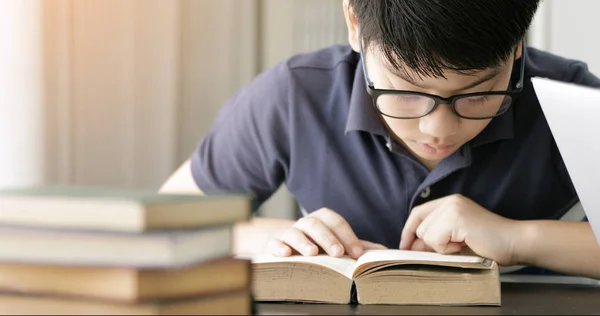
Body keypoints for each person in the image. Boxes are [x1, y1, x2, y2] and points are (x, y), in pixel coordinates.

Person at [160, 0, 600, 279]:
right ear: (355, 23)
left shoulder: (570, 98)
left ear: (516, 48)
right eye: (406, 93)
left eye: (479, 93)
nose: (438, 129)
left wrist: (515, 239)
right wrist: (280, 240)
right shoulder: (295, 96)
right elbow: (165, 219)